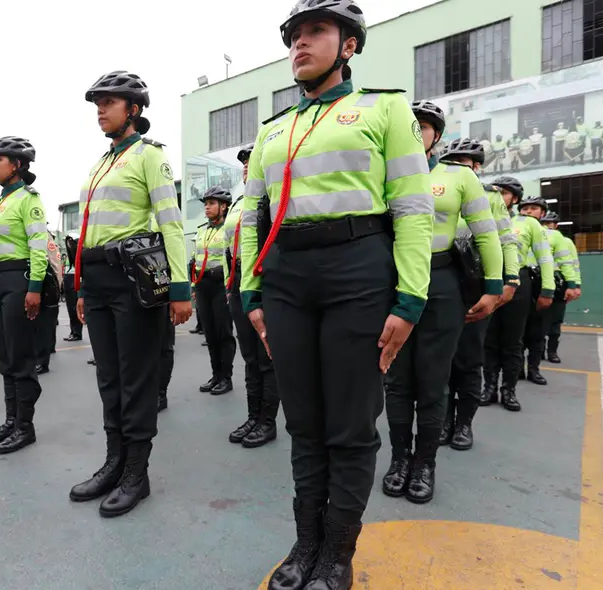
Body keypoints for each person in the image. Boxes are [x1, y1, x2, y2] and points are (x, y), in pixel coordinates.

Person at [242, 2, 433, 587]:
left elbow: (412, 207)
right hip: (287, 277)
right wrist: (251, 291)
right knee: (303, 421)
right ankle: (306, 543)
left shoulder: (385, 108)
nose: (300, 44)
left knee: (349, 424)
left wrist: (410, 299)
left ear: (349, 45)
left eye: (316, 32)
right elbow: (252, 215)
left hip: (358, 269)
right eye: (294, 36)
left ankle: (338, 554)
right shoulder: (273, 128)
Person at [69, 70, 192, 518]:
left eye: (109, 103)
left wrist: (180, 287)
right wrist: (83, 286)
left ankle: (136, 475)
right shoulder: (100, 164)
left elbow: (171, 222)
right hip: (98, 279)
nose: (100, 110)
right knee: (109, 377)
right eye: (97, 104)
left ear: (134, 109)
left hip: (131, 280)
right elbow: (88, 229)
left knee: (135, 377)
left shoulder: (149, 156)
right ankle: (114, 463)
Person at [381, 127, 504, 505]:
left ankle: (424, 463)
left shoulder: (458, 176)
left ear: (436, 135)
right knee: (396, 379)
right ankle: (400, 458)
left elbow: (485, 232)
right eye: (408, 123)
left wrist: (495, 286)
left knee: (433, 380)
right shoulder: (382, 171)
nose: (414, 131)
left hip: (442, 282)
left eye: (423, 126)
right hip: (392, 282)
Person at [0, 136, 48, 454]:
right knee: (3, 355)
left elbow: (38, 247)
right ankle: (10, 421)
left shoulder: (28, 199)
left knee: (20, 357)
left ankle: (25, 427)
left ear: (16, 165)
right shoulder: (0, 202)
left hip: (18, 280)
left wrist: (34, 288)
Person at [444, 175, 521, 451]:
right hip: (441, 283)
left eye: (469, 162)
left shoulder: (490, 196)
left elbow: (506, 240)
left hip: (476, 284)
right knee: (441, 360)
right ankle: (444, 420)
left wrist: (511, 278)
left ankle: (464, 423)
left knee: (469, 358)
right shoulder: (437, 185)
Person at [226, 143, 280, 448]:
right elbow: (231, 248)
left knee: (266, 355)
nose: (247, 165)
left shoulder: (271, 196)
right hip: (240, 280)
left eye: (251, 160)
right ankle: (253, 416)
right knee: (249, 355)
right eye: (244, 162)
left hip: (265, 278)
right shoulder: (239, 203)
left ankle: (267, 421)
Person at [483, 189, 554, 411]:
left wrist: (548, 290)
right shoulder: (482, 217)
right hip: (488, 280)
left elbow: (545, 257)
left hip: (518, 281)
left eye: (504, 193)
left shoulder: (528, 223)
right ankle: (489, 388)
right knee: (489, 340)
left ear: (514, 199)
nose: (498, 196)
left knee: (513, 341)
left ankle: (509, 390)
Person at [192, 186, 237, 395]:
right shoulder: (202, 230)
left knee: (223, 333)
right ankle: (216, 375)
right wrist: (194, 286)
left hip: (221, 285)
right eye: (206, 204)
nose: (207, 208)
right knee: (210, 333)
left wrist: (230, 287)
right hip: (203, 285)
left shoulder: (228, 228)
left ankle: (226, 377)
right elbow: (195, 260)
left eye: (211, 203)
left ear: (223, 206)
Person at [519, 199, 565, 386]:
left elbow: (561, 262)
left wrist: (572, 284)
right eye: (525, 208)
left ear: (543, 213)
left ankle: (534, 369)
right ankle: (517, 369)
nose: (529, 211)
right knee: (518, 331)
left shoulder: (553, 236)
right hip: (521, 283)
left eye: (534, 208)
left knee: (538, 331)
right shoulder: (514, 228)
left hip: (541, 283)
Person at [541, 211, 582, 364]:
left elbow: (573, 264)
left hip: (559, 283)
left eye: (549, 223)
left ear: (556, 225)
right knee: (538, 320)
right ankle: (539, 351)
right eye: (543, 223)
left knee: (555, 320)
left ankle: (552, 351)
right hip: (540, 281)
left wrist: (576, 285)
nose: (546, 226)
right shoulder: (536, 238)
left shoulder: (566, 242)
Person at [33, 232, 62, 375]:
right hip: (29, 275)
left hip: (46, 279)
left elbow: (55, 260)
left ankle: (42, 361)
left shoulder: (44, 234)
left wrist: (57, 285)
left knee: (44, 322)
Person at [62, 233, 84, 341]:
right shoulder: (68, 255)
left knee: (74, 307)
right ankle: (73, 331)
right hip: (68, 277)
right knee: (70, 307)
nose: (68, 244)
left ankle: (77, 333)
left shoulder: (78, 252)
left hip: (74, 278)